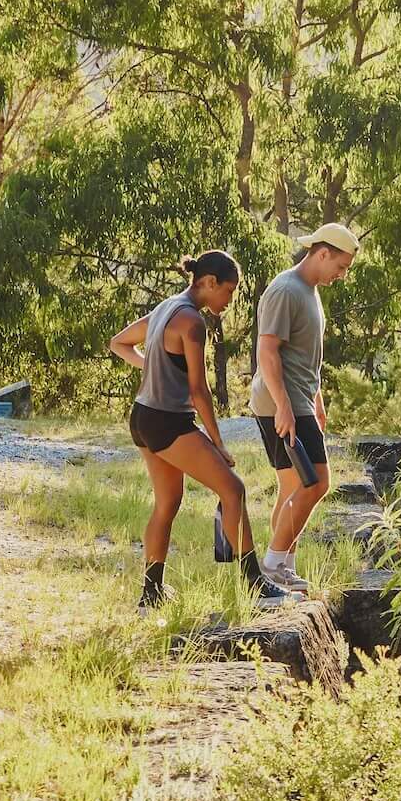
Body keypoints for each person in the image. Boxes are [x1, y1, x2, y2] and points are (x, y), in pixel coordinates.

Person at [109, 251, 281, 610]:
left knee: (168, 502)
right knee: (233, 490)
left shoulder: (165, 308)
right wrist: (218, 444)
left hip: (142, 417)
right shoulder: (192, 323)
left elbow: (119, 342)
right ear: (209, 283)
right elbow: (199, 390)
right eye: (229, 292)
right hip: (168, 422)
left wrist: (151, 366)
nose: (230, 301)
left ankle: (150, 594)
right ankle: (254, 586)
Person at [248, 221, 360, 591]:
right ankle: (272, 564)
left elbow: (305, 356)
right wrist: (284, 406)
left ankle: (283, 566)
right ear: (322, 252)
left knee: (293, 486)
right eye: (340, 266)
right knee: (317, 483)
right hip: (284, 403)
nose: (341, 275)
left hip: (300, 400)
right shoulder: (286, 290)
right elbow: (267, 351)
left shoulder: (309, 291)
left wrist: (317, 398)